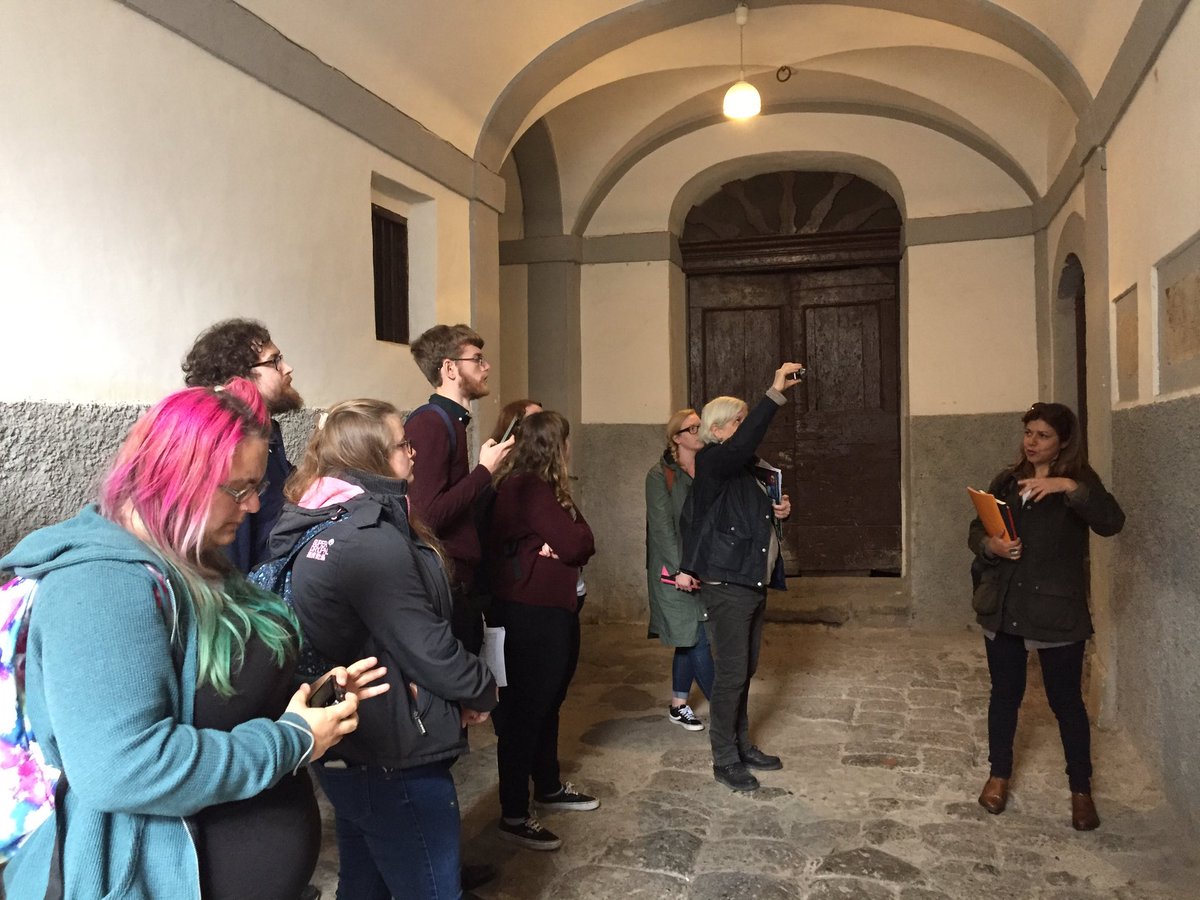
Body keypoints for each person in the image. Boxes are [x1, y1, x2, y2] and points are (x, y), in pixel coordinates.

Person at [0, 379, 382, 899]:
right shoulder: (99, 587)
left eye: (257, 487)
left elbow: (210, 686)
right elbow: (124, 768)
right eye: (239, 488)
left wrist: (306, 693)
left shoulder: (188, 553)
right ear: (173, 478)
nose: (251, 507)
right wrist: (292, 740)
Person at [275, 398, 499, 899]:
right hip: (391, 746)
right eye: (402, 443)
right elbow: (427, 646)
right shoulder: (367, 539)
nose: (414, 452)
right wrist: (481, 690)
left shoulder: (322, 516)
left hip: (355, 739)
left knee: (364, 882)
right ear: (372, 457)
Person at [969, 401, 1124, 831]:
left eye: (1042, 435)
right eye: (1028, 433)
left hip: (1055, 611)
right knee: (1005, 695)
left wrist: (1068, 487)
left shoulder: (1079, 484)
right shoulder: (1006, 480)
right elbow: (976, 529)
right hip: (1004, 606)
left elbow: (1112, 522)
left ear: (1063, 442)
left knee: (1066, 702)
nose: (1032, 442)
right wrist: (991, 546)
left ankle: (1081, 790)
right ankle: (998, 774)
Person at [676, 362, 803, 792]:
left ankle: (741, 743)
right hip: (727, 582)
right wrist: (774, 392)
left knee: (744, 668)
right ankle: (724, 758)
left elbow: (748, 519)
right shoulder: (714, 461)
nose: (747, 430)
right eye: (740, 422)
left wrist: (777, 511)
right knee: (730, 672)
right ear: (720, 429)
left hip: (751, 579)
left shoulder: (748, 469)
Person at [487, 411, 598, 851]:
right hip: (528, 612)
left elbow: (583, 539)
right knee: (524, 712)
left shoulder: (549, 489)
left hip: (550, 607)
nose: (571, 447)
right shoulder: (528, 488)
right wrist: (560, 543)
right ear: (555, 444)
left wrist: (566, 542)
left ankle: (548, 786)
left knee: (549, 701)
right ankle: (514, 813)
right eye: (566, 440)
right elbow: (575, 543)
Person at [406, 325, 514, 655]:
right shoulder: (430, 423)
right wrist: (484, 471)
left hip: (459, 580)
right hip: (445, 583)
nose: (487, 366)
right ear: (450, 368)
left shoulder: (452, 422)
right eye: (477, 359)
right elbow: (427, 515)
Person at [183, 318, 304, 573]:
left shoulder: (267, 435)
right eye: (275, 361)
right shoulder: (231, 448)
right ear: (241, 377)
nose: (288, 368)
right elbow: (229, 564)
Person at [646, 408, 713, 731]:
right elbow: (661, 529)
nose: (699, 431)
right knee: (696, 636)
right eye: (692, 428)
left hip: (703, 566)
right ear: (677, 437)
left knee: (690, 635)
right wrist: (680, 569)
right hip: (675, 572)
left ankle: (678, 704)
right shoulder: (660, 475)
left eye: (701, 425)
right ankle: (727, 711)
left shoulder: (708, 467)